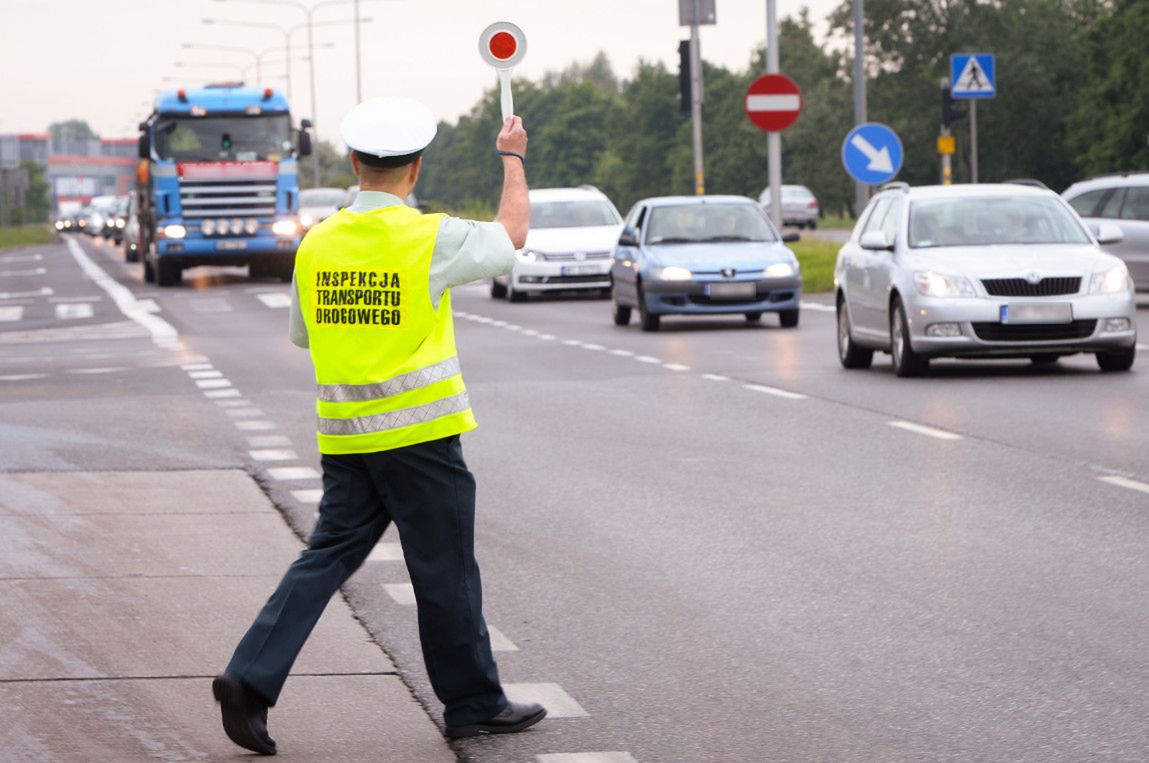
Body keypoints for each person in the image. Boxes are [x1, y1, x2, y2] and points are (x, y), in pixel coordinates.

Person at [212, 96, 544, 755]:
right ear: (414, 170)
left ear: (355, 165)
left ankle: (248, 678)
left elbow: (303, 336)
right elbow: (511, 235)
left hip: (346, 438)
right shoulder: (431, 236)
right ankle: (474, 702)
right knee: (444, 569)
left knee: (326, 554)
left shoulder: (315, 243)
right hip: (419, 439)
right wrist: (511, 158)